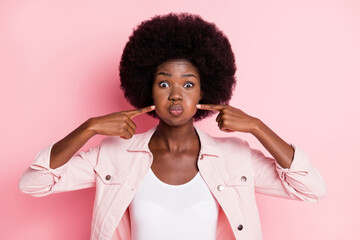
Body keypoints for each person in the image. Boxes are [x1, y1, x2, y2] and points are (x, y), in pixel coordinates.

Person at [19, 13, 326, 240]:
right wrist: (89, 128)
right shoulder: (115, 155)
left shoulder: (235, 157)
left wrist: (258, 128)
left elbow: (310, 189)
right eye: (164, 82)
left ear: (203, 92)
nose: (176, 94)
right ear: (148, 89)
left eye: (188, 84)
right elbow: (34, 183)